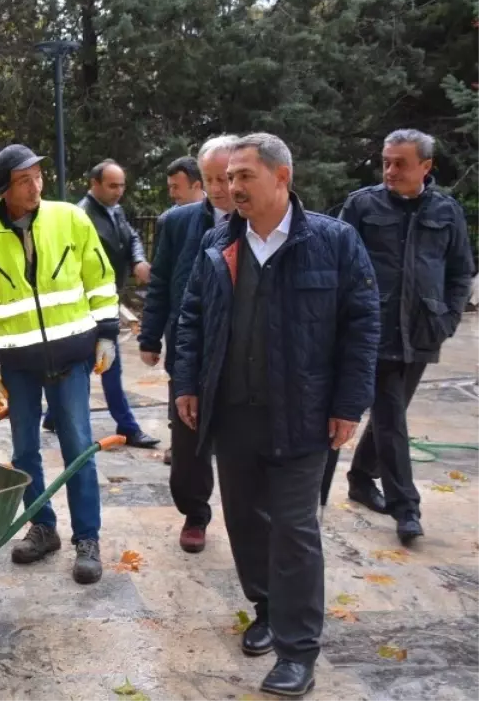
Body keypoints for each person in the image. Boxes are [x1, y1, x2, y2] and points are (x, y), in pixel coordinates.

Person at [172, 133, 379, 698]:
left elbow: (363, 326)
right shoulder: (220, 242)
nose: (232, 187)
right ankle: (265, 609)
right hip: (233, 412)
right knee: (244, 522)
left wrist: (347, 404)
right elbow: (192, 317)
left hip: (304, 417)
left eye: (245, 176)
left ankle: (298, 650)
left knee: (294, 530)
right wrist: (186, 383)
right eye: (229, 177)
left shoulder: (335, 242)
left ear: (282, 177)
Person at [0, 144, 120, 584]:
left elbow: (100, 278)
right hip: (19, 366)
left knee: (77, 446)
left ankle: (87, 538)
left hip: (72, 357)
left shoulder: (70, 219)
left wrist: (107, 333)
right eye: (23, 181)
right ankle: (43, 526)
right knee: (24, 450)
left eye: (37, 177)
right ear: (4, 190)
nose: (35, 187)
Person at [339, 129, 475, 545]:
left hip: (422, 330)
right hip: (373, 329)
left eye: (401, 163)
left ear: (426, 167)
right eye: (386, 161)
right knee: (392, 417)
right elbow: (337, 262)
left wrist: (449, 318)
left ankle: (362, 478)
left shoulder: (446, 211)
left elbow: (460, 272)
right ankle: (406, 506)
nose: (391, 170)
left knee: (387, 417)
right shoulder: (362, 205)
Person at [138, 135, 236, 553]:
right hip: (187, 344)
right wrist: (149, 335)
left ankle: (248, 514)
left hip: (240, 347)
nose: (217, 187)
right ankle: (195, 512)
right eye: (209, 178)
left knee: (239, 437)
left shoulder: (261, 222)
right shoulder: (178, 222)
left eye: (225, 177)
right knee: (188, 435)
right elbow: (161, 281)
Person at [45, 160, 159, 448]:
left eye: (122, 185)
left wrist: (137, 259)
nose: (119, 191)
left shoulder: (115, 210)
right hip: (87, 305)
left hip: (107, 298)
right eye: (112, 185)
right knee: (108, 366)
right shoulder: (81, 215)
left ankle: (53, 415)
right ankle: (128, 427)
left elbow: (131, 236)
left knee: (90, 365)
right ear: (94, 184)